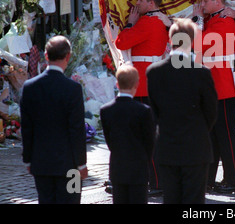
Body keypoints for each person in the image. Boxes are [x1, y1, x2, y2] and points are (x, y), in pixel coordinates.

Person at [146, 18, 218, 204]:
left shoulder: (154, 72)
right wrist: (200, 130)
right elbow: (211, 111)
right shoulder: (201, 73)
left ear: (170, 40)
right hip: (196, 145)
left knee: (171, 198)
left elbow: (154, 111)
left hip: (167, 145)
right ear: (191, 41)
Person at [192, 0, 235, 193]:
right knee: (214, 135)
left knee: (227, 134)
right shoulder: (216, 18)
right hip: (215, 84)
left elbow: (199, 44)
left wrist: (197, 20)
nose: (201, 4)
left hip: (223, 85)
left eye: (205, 1)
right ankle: (210, 179)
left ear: (218, 1)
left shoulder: (224, 21)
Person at [20, 35, 88, 204]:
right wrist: (82, 164)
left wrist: (28, 158)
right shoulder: (73, 89)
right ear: (68, 56)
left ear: (46, 55)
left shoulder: (30, 87)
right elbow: (77, 129)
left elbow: (27, 128)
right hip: (70, 165)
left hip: (41, 163)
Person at [114, 0, 168, 194]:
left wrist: (129, 24)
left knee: (147, 136)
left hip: (144, 85)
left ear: (151, 3)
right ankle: (154, 179)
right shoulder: (158, 20)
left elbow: (121, 42)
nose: (136, 4)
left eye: (140, 0)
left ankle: (156, 181)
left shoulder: (147, 22)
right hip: (152, 82)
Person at [100, 65, 156, 204]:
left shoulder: (105, 110)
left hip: (118, 166)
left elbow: (109, 140)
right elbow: (149, 141)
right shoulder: (143, 110)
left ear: (117, 84)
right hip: (138, 167)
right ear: (137, 84)